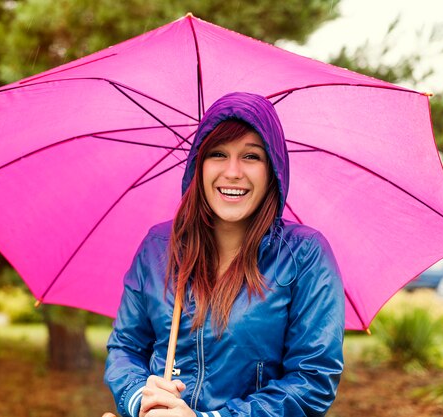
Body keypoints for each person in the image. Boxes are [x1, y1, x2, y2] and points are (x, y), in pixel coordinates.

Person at [104, 92, 345, 417]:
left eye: (251, 156)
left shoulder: (305, 256)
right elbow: (126, 348)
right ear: (198, 165)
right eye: (218, 154)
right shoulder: (159, 246)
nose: (232, 172)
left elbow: (312, 379)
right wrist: (142, 401)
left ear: (273, 168)